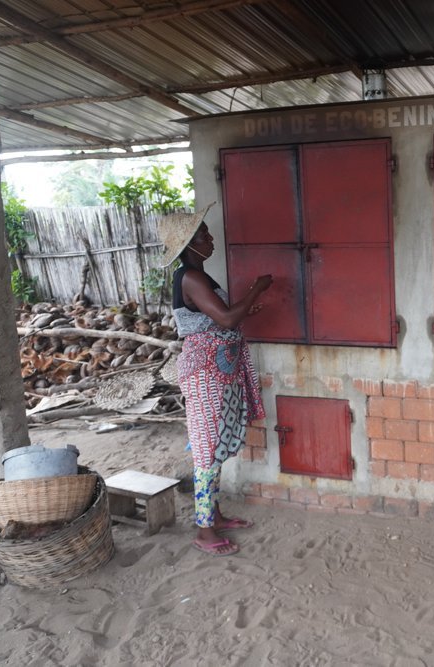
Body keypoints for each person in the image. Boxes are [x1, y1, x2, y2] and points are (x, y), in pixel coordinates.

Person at [158, 203, 273, 557]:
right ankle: (204, 531)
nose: (210, 238)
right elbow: (224, 319)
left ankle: (214, 515)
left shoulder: (199, 277)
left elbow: (216, 318)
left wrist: (241, 311)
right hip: (205, 374)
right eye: (203, 235)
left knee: (215, 447)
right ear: (189, 244)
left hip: (217, 371)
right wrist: (256, 290)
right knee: (207, 451)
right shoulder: (190, 277)